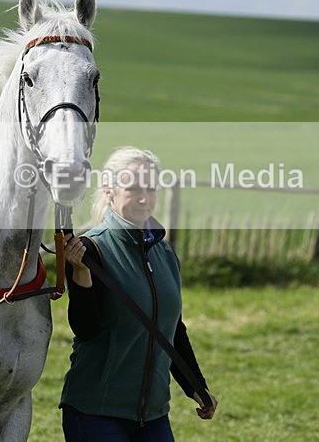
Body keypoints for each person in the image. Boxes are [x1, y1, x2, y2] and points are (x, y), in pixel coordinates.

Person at [60, 146, 218, 441]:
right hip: (97, 412)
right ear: (109, 191)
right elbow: (85, 329)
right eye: (133, 188)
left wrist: (196, 386)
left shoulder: (165, 253)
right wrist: (80, 273)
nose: (144, 198)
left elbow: (172, 328)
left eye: (151, 188)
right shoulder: (90, 250)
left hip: (154, 415)